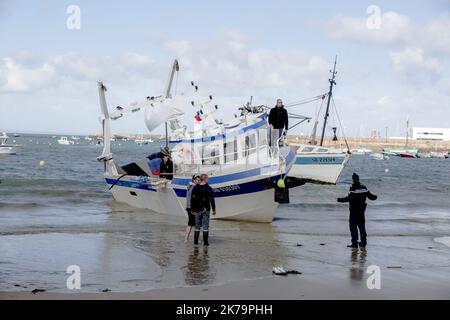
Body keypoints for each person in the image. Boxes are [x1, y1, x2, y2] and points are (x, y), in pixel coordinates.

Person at [337, 173, 377, 248]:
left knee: (353, 227)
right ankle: (363, 242)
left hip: (354, 211)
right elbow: (371, 197)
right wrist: (376, 197)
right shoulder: (364, 188)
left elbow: (348, 199)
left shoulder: (352, 189)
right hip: (361, 212)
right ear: (358, 179)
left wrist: (339, 199)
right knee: (362, 227)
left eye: (352, 179)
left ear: (353, 180)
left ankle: (354, 243)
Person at [191, 174, 216, 246]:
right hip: (206, 209)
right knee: (205, 226)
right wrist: (214, 209)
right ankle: (205, 243)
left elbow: (192, 200)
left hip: (197, 209)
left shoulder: (195, 188)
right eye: (207, 178)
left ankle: (195, 243)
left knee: (197, 226)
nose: (208, 180)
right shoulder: (208, 188)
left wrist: (192, 209)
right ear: (205, 179)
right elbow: (212, 200)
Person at [185, 175, 201, 243]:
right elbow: (194, 199)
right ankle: (186, 239)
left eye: (199, 180)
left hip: (189, 207)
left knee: (193, 223)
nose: (199, 181)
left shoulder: (191, 186)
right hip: (191, 208)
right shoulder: (193, 187)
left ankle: (190, 239)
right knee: (191, 224)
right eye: (197, 180)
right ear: (194, 180)